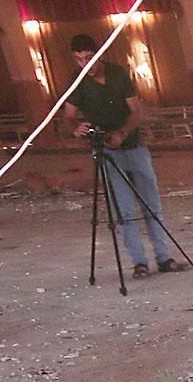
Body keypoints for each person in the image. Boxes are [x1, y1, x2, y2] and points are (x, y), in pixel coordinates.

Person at [62, 33, 181, 280]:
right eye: (79, 60)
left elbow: (136, 111)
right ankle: (139, 262)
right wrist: (76, 128)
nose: (85, 64)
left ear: (98, 54)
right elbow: (69, 114)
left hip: (133, 146)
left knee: (151, 203)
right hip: (106, 152)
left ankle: (164, 256)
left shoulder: (117, 73)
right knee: (124, 209)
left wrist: (122, 132)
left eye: (88, 58)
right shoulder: (76, 80)